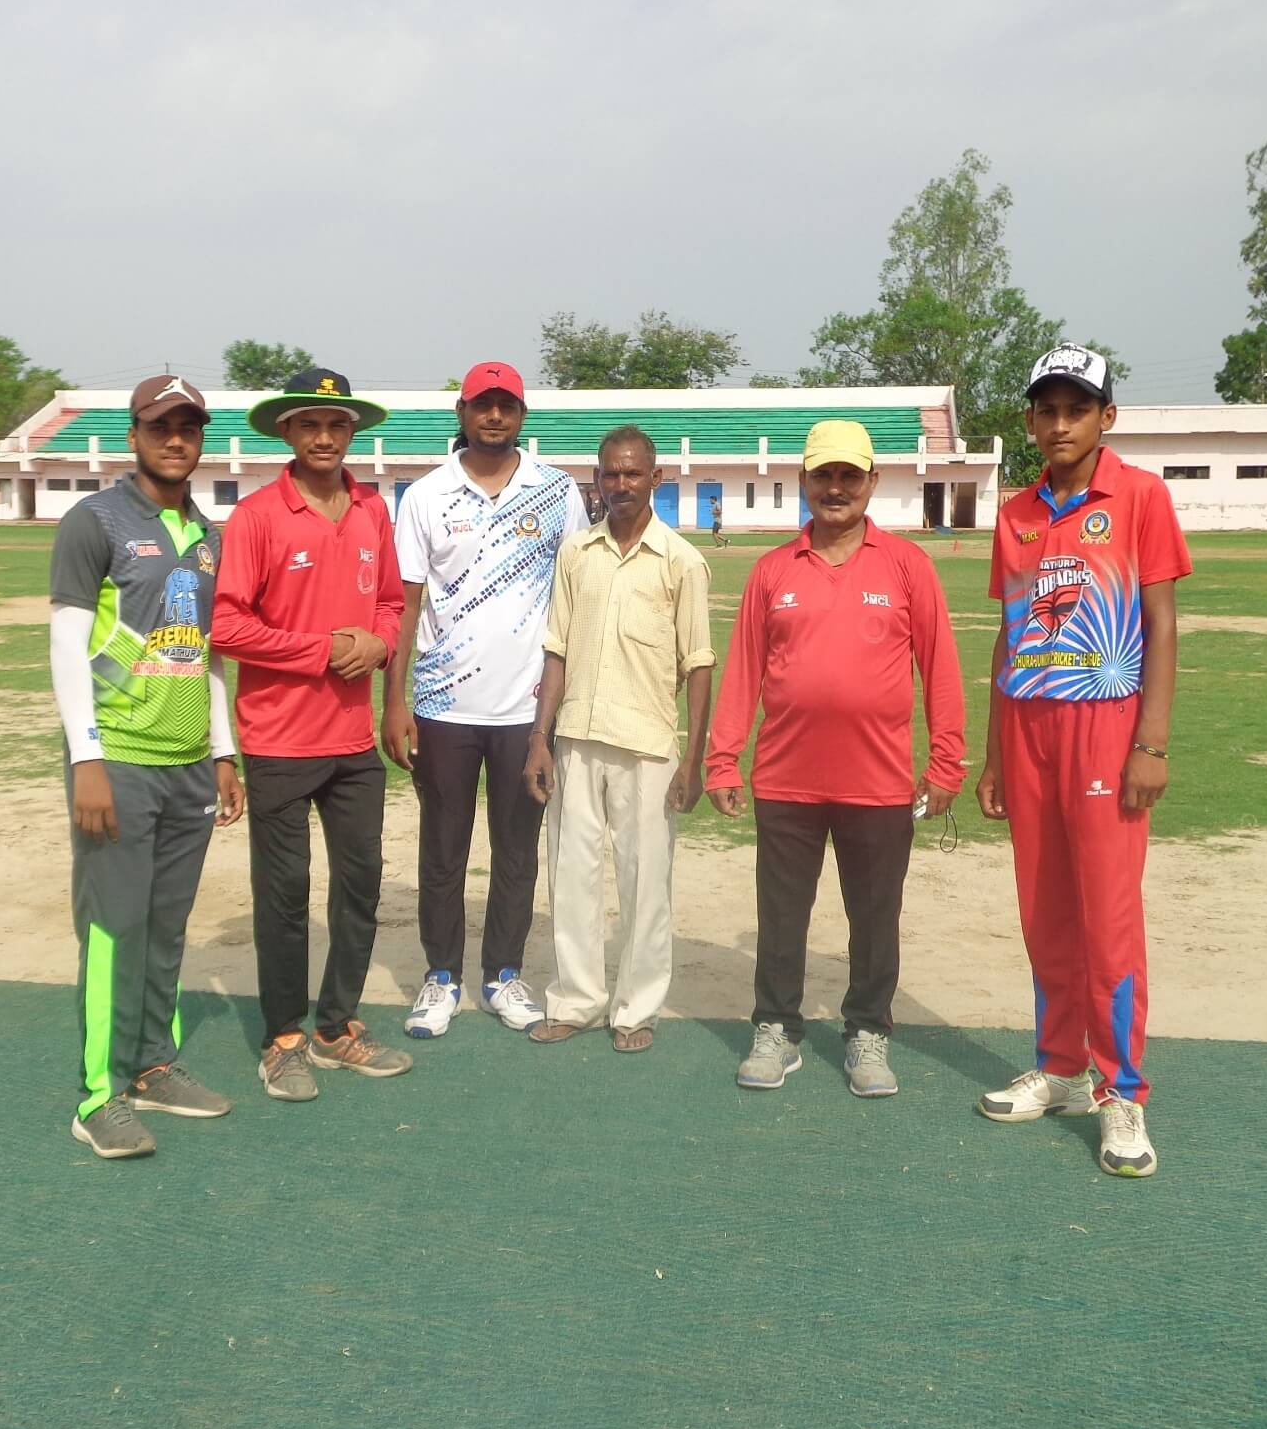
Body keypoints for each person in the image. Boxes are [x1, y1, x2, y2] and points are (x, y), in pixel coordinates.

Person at [974, 347, 1189, 1179]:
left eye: (1077, 408)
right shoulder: (1018, 510)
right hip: (1029, 726)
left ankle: (1121, 1091)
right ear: (1030, 419)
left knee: (1107, 917)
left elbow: (1162, 623)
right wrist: (995, 755)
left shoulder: (1137, 496)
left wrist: (1152, 742)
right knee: (1046, 909)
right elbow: (1009, 629)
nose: (1059, 424)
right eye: (1046, 410)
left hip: (1107, 724)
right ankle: (1060, 1066)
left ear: (1107, 417)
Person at [705, 420, 965, 1097]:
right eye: (824, 475)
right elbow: (743, 673)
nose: (836, 489)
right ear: (804, 481)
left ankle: (868, 1030)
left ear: (874, 482)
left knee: (875, 916)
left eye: (850, 476)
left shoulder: (908, 565)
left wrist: (946, 763)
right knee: (782, 915)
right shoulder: (772, 571)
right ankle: (777, 1028)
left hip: (877, 782)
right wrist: (723, 758)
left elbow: (940, 669)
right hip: (787, 778)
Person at [49, 374, 246, 1159]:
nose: (176, 439)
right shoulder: (94, 520)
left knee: (167, 926)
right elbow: (68, 644)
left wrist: (224, 751)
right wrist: (87, 759)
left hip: (187, 762)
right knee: (112, 927)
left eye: (189, 427)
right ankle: (99, 1094)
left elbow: (204, 655)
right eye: (162, 426)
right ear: (134, 434)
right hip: (119, 760)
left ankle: (153, 1067)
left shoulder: (206, 536)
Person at [211, 367, 411, 1102]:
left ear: (352, 431)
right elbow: (227, 625)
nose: (324, 437)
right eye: (308, 425)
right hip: (279, 740)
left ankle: (337, 1026)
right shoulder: (260, 516)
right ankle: (284, 1038)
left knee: (360, 885)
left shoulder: (370, 510)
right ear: (287, 433)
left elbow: (391, 604)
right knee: (285, 894)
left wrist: (380, 645)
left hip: (352, 740)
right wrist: (323, 648)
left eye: (337, 425)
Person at [384, 361, 587, 1039]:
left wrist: (558, 711)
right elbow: (406, 604)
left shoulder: (556, 492)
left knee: (517, 850)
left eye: (506, 405)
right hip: (442, 706)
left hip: (525, 713)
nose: (494, 416)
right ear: (462, 413)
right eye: (481, 405)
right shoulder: (426, 495)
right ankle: (441, 977)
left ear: (522, 415)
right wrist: (395, 701)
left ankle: (503, 973)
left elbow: (575, 601)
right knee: (442, 850)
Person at [522, 426, 715, 1051]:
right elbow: (556, 648)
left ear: (655, 478)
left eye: (633, 473)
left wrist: (694, 758)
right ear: (597, 480)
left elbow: (699, 663)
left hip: (649, 744)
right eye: (611, 474)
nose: (621, 485)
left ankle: (635, 1009)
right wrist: (539, 740)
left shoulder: (682, 560)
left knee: (644, 880)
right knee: (572, 877)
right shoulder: (576, 553)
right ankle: (576, 999)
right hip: (577, 735)